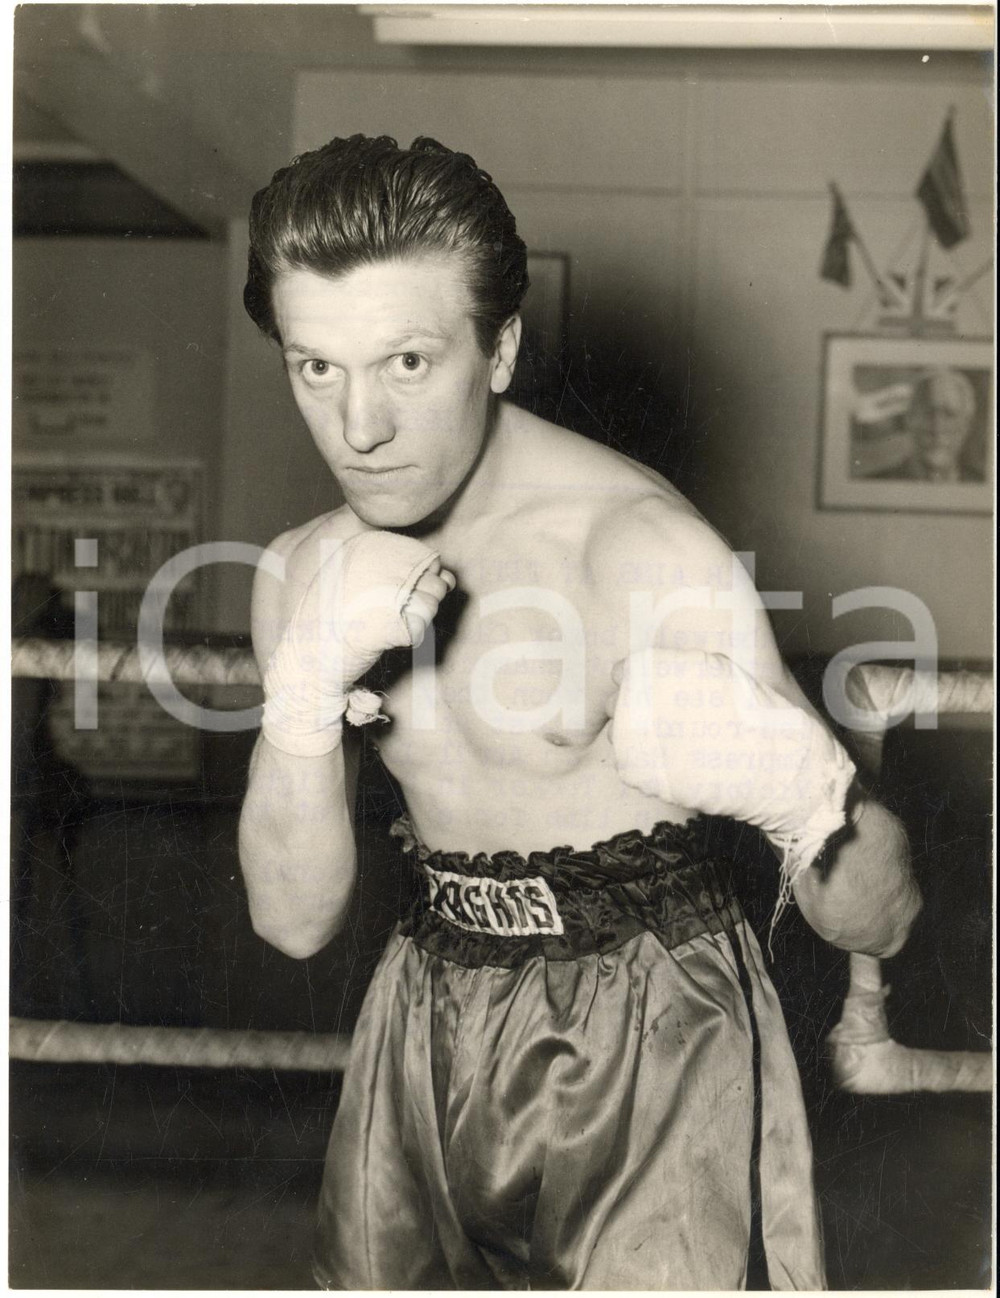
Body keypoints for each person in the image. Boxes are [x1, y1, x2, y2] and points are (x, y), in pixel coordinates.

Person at [238, 134, 920, 1290]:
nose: (358, 428)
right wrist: (302, 693)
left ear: (498, 349)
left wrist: (807, 796)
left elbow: (885, 918)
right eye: (317, 367)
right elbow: (295, 921)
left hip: (654, 1021)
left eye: (407, 361)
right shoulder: (302, 571)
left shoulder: (641, 551)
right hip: (424, 1004)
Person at [876, 367, 981, 482]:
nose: (937, 428)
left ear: (966, 425)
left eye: (949, 415)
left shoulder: (981, 484)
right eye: (928, 413)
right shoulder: (876, 484)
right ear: (909, 419)